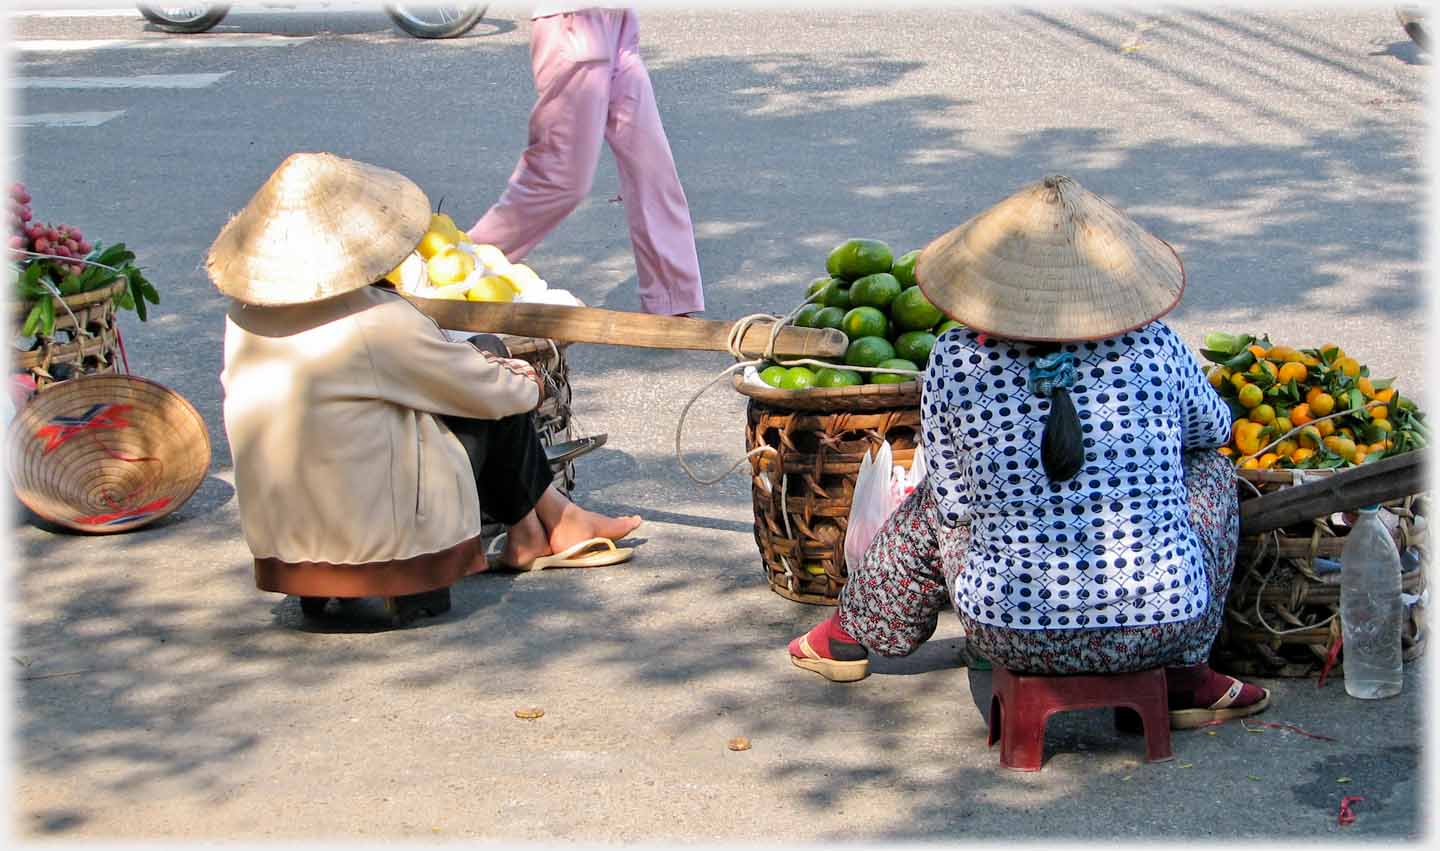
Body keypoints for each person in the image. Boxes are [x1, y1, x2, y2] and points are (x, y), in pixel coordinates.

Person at [787, 175, 1272, 730]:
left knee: (941, 496)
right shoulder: (1156, 344)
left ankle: (849, 634)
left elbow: (954, 500)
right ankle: (1186, 677)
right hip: (1161, 627)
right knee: (1210, 469)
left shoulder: (955, 357)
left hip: (1009, 630)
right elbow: (1212, 429)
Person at [211, 152, 642, 622]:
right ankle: (551, 522)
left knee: (474, 368)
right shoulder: (376, 321)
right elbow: (485, 391)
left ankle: (538, 528)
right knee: (491, 379)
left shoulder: (244, 319)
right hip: (375, 537)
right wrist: (528, 384)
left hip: (285, 536)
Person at [466, 3, 704, 317]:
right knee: (560, 179)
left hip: (618, 21)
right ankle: (454, 267)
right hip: (574, 23)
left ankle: (671, 301)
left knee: (652, 167)